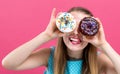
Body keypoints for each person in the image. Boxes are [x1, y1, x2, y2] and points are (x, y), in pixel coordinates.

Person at [2, 7, 120, 74]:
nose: (75, 33)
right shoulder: (50, 56)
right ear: (62, 28)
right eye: (71, 25)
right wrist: (46, 35)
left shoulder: (99, 60)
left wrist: (103, 44)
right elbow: (9, 63)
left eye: (82, 28)